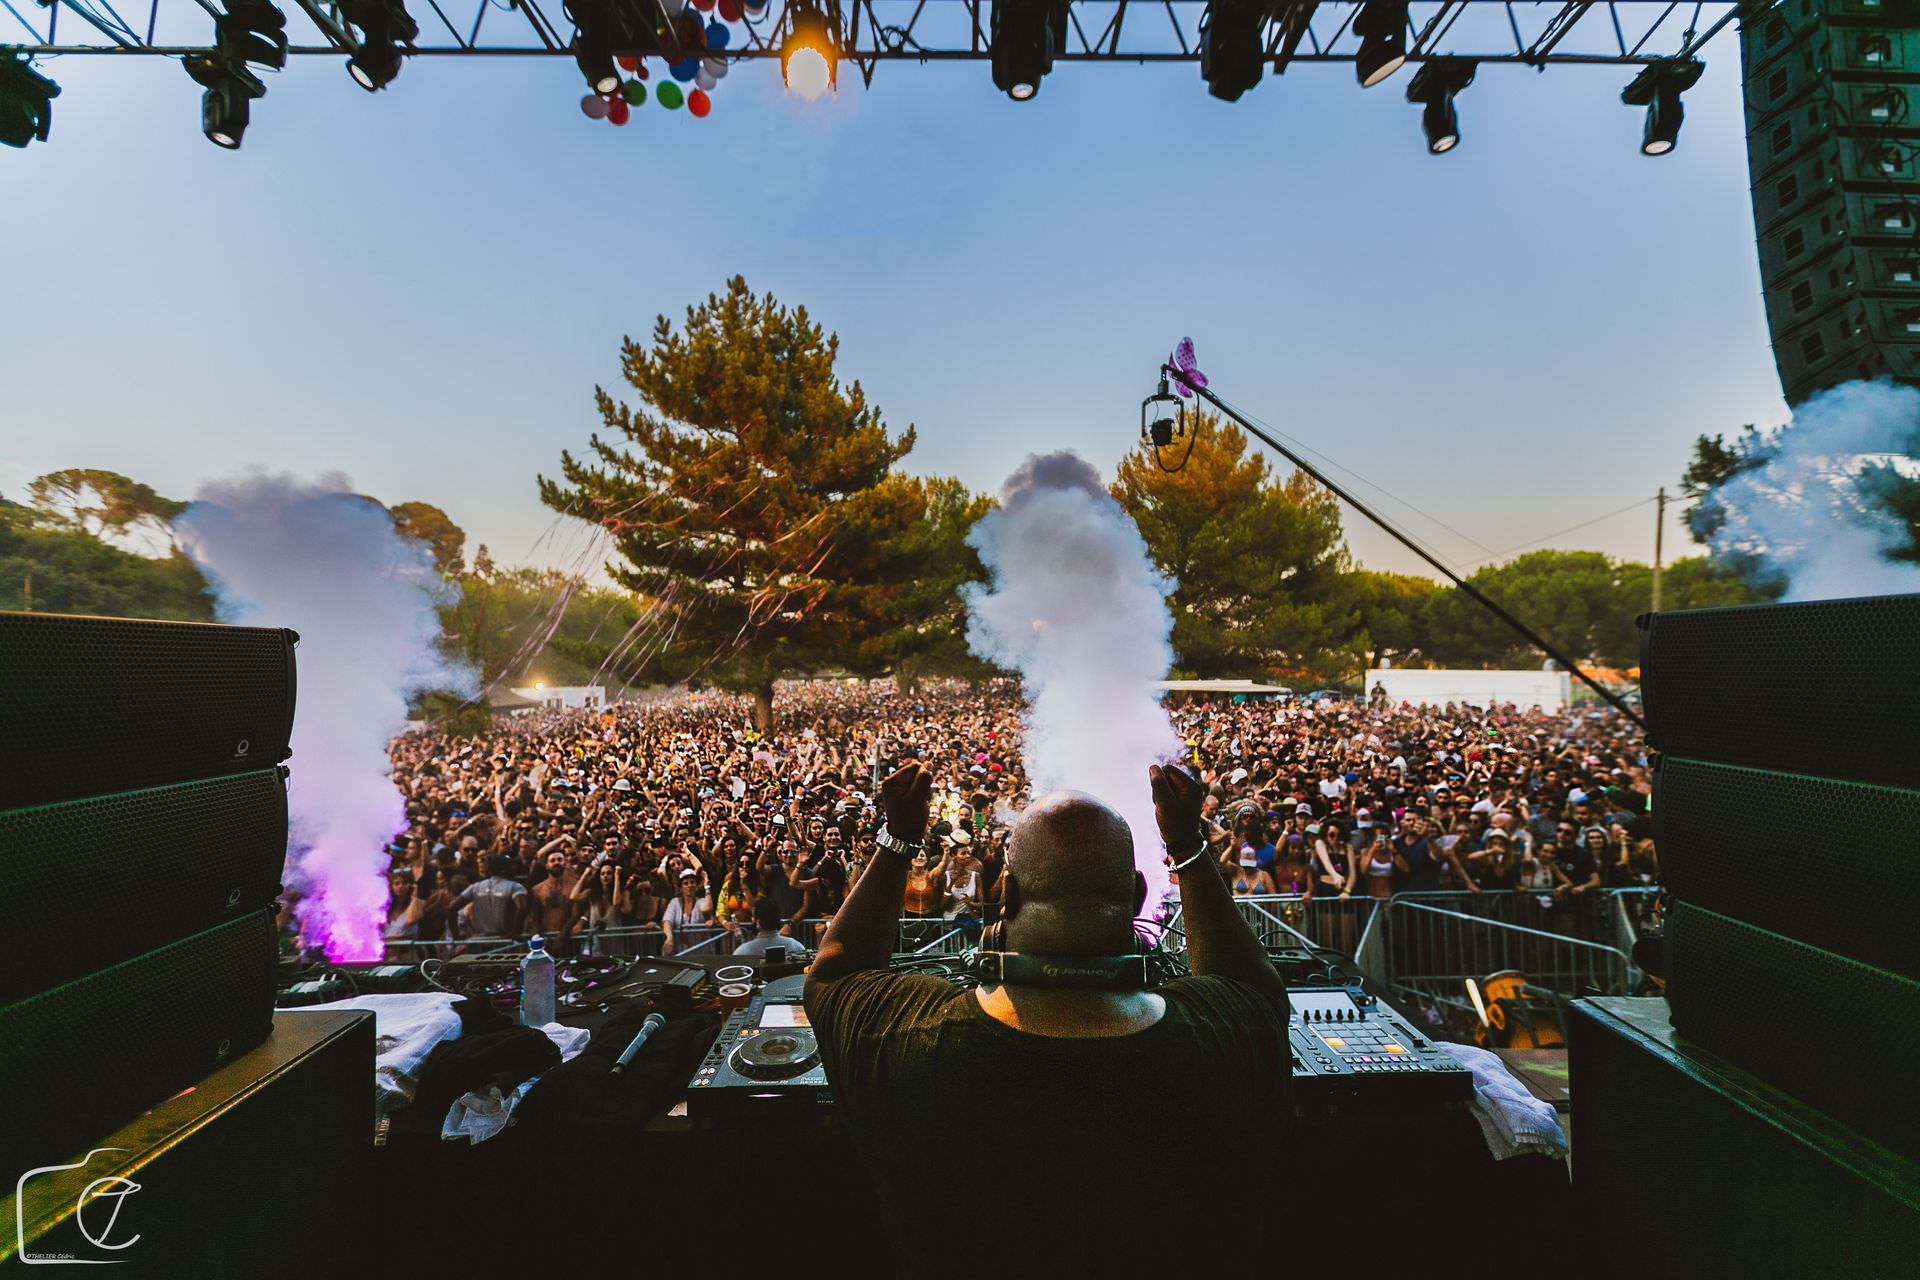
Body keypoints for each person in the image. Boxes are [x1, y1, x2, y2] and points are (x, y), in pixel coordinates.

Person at [804, 762, 1290, 1275]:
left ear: (1006, 894)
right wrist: (1189, 846)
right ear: (1136, 896)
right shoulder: (1226, 1030)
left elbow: (834, 974)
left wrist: (899, 838)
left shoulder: (906, 1032)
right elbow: (1248, 983)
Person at [733, 898, 807, 956]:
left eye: (753, 916)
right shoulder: (796, 946)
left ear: (758, 922)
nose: (751, 919)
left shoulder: (742, 951)